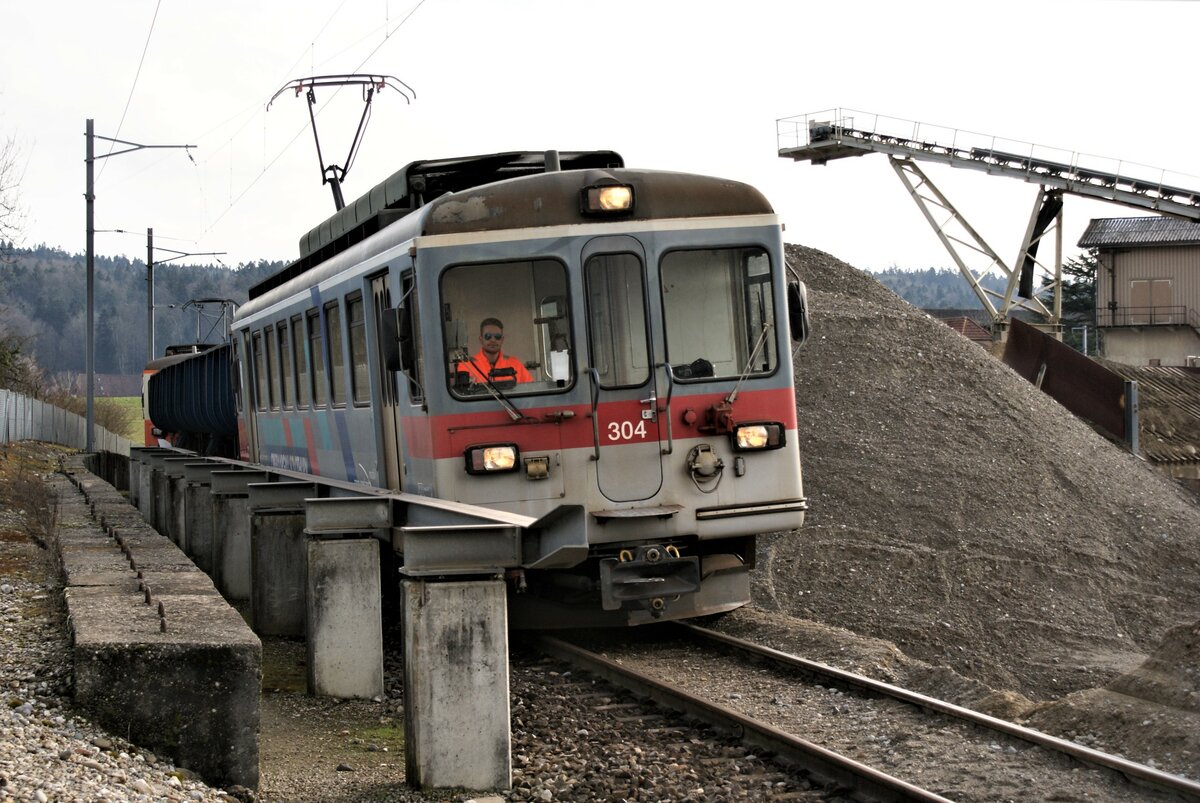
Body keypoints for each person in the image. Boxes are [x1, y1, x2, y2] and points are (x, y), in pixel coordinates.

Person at [456, 318, 533, 386]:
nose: (493, 340)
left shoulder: (515, 364)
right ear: (481, 339)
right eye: (488, 336)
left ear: (502, 340)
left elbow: (530, 390)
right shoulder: (466, 365)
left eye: (497, 336)